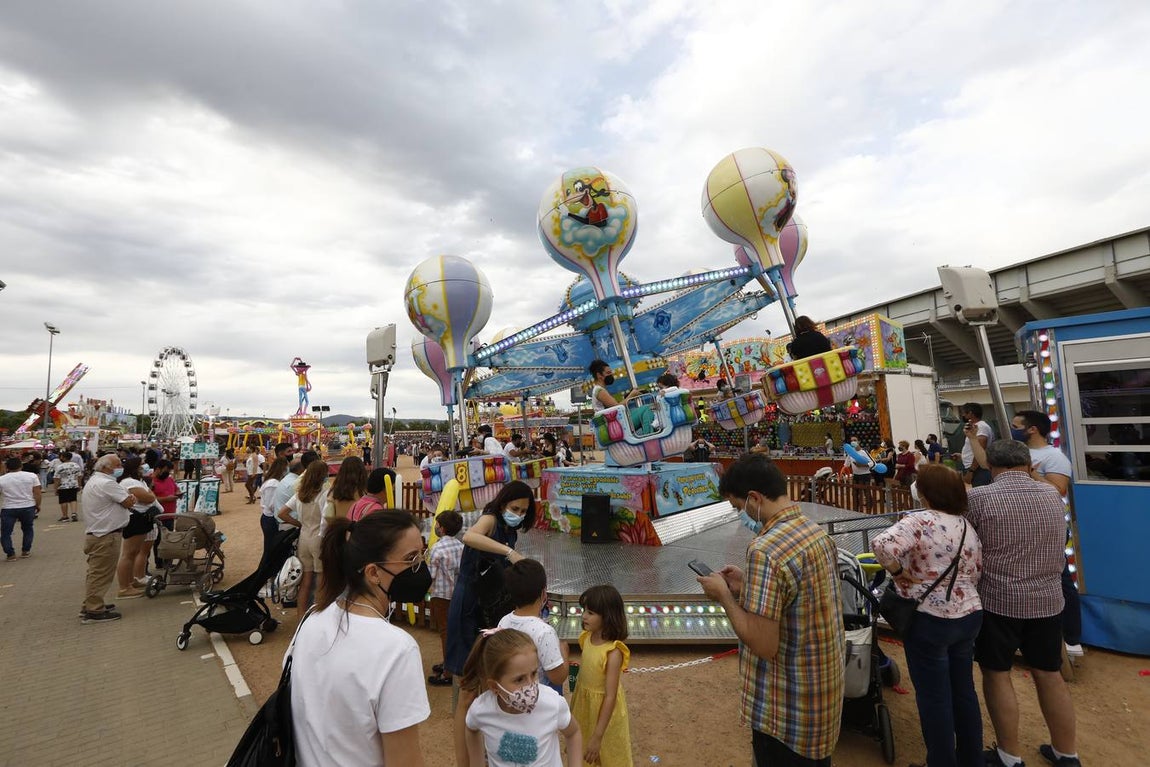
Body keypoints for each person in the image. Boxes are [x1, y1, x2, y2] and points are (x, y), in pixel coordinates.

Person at [697, 453, 844, 766]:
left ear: (754, 498)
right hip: (820, 703)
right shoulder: (814, 532)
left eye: (739, 507)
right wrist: (749, 583)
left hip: (786, 712)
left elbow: (764, 644)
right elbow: (800, 595)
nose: (742, 515)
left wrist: (724, 596)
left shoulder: (766, 549)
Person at [967, 440, 1081, 767]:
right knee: (1049, 674)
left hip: (998, 601)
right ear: (1028, 464)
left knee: (997, 673)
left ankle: (1009, 755)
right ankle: (1066, 752)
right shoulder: (1050, 496)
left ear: (991, 466)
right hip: (1047, 601)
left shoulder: (979, 498)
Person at [290, 510, 430, 766]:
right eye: (411, 559)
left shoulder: (311, 620)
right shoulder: (397, 649)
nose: (420, 567)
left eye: (423, 554)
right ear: (373, 573)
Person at [872, 464, 984, 767]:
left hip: (929, 618)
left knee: (934, 696)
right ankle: (972, 758)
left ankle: (941, 761)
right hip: (968, 614)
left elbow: (881, 544)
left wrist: (898, 571)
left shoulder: (918, 520)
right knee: (963, 691)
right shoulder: (966, 527)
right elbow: (975, 571)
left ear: (924, 492)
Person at [447, 481, 536, 764]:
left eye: (523, 510)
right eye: (514, 508)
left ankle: (484, 752)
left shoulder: (510, 529)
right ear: (502, 504)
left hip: (491, 607)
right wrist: (509, 553)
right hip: (469, 604)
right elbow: (470, 537)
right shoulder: (490, 519)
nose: (518, 514)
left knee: (489, 683)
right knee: (467, 689)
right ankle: (465, 760)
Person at [1011, 410, 1083, 659]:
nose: (1012, 428)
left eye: (1016, 425)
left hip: (1046, 524)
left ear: (1032, 429)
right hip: (1016, 522)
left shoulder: (1054, 456)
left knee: (1060, 578)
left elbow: (1057, 490)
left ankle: (1072, 638)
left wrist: (1030, 472)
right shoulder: (1014, 451)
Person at [462, 628, 582, 767]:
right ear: (494, 686)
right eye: (519, 679)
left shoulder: (552, 703)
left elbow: (573, 733)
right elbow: (471, 728)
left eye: (533, 673)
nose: (531, 685)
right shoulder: (481, 710)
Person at [79, 455, 152, 622]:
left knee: (96, 572)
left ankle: (91, 603)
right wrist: (129, 498)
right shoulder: (107, 483)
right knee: (101, 573)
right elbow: (129, 501)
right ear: (106, 467)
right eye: (117, 464)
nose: (120, 467)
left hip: (98, 532)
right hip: (105, 534)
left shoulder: (94, 481)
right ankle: (94, 610)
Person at [571, 584, 632, 767]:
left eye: (590, 612)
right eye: (584, 610)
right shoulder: (586, 638)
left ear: (607, 617)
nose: (584, 616)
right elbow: (582, 680)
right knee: (584, 755)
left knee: (608, 754)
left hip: (604, 714)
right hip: (585, 708)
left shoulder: (613, 652)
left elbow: (610, 696)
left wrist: (598, 736)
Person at [497, 559, 569, 696]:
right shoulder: (544, 632)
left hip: (513, 699)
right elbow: (558, 677)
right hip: (538, 703)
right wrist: (564, 651)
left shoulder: (503, 621)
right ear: (543, 594)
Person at [276, 459, 330, 615]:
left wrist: (299, 523)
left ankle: (300, 617)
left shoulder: (300, 493)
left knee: (305, 581)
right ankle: (318, 617)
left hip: (303, 538)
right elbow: (326, 519)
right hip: (318, 538)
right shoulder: (324, 494)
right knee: (321, 581)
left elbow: (282, 513)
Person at [428, 510, 465, 688]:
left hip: (441, 595)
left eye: (437, 524)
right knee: (453, 630)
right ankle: (449, 662)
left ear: (441, 528)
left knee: (445, 632)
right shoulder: (461, 546)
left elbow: (431, 575)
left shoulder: (437, 548)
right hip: (457, 594)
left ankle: (448, 672)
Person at [115, 457, 158, 598]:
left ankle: (131, 581)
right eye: (141, 465)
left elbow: (149, 495)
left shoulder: (137, 481)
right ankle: (124, 587)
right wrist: (150, 494)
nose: (143, 467)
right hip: (135, 519)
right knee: (128, 553)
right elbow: (149, 497)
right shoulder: (128, 482)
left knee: (133, 553)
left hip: (140, 519)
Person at [588, 359, 654, 435]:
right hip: (613, 425)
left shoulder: (599, 390)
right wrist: (631, 395)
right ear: (599, 375)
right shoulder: (600, 391)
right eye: (608, 373)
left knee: (642, 410)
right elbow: (617, 407)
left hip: (614, 422)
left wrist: (630, 395)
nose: (611, 375)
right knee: (646, 409)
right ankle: (649, 435)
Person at [0, 456, 41, 561]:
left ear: (7, 467)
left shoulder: (2, 479)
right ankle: (25, 551)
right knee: (27, 529)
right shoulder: (31, 476)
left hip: (8, 507)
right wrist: (37, 505)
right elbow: (37, 492)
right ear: (21, 465)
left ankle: (10, 554)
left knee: (6, 532)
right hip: (28, 506)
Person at [258, 457, 289, 558]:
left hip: (271, 518)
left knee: (273, 547)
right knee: (271, 548)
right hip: (270, 519)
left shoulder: (274, 482)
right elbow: (271, 505)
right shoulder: (273, 484)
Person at [959, 403, 995, 487]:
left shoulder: (981, 427)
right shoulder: (975, 427)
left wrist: (971, 471)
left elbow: (980, 449)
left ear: (970, 413)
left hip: (978, 469)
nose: (962, 415)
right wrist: (962, 456)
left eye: (964, 412)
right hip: (975, 468)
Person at [51, 449, 83, 522]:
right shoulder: (76, 465)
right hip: (73, 484)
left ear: (64, 457)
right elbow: (79, 476)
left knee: (63, 501)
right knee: (73, 499)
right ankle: (74, 513)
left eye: (61, 457)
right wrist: (79, 485)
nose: (60, 458)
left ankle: (65, 516)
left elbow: (56, 478)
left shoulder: (60, 467)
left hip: (63, 486)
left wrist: (55, 488)